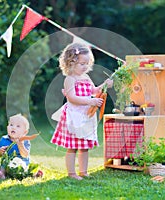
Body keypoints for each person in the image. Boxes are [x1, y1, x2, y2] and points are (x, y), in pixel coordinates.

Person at [50, 43, 113, 180]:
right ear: (71, 63)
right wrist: (90, 101)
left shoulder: (86, 78)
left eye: (87, 63)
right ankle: (72, 173)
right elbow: (72, 98)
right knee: (72, 147)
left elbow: (94, 91)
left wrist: (105, 85)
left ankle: (83, 171)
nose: (85, 66)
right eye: (82, 64)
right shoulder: (69, 79)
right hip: (74, 116)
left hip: (86, 115)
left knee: (84, 146)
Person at [0, 113, 31, 179]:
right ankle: (2, 174)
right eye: (11, 125)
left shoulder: (25, 141)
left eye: (18, 126)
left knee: (26, 168)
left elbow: (25, 155)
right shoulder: (4, 139)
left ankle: (33, 174)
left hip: (21, 163)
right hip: (7, 164)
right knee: (3, 166)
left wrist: (21, 145)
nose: (13, 127)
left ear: (25, 132)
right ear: (7, 127)